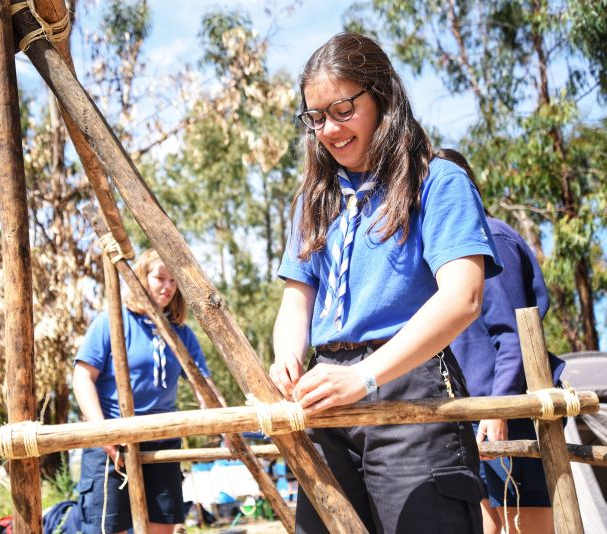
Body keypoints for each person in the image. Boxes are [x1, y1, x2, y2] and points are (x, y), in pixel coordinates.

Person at [269, 33, 503, 534]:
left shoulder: (438, 181)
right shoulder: (314, 199)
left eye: (342, 109)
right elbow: (296, 301)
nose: (328, 130)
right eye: (315, 118)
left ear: (383, 97)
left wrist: (366, 376)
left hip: (410, 387)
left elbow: (464, 297)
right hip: (325, 388)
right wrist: (287, 356)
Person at [439, 148, 564, 534]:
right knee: (485, 526)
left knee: (526, 522)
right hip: (472, 411)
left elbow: (514, 335)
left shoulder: (488, 239)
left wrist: (499, 410)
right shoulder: (452, 251)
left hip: (508, 408)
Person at [73, 249, 221, 534]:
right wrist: (102, 432)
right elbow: (82, 377)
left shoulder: (182, 333)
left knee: (163, 527)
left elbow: (204, 387)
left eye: (173, 281)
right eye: (159, 278)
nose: (167, 286)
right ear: (142, 277)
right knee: (109, 527)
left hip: (162, 439)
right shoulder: (111, 321)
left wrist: (224, 423)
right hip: (112, 442)